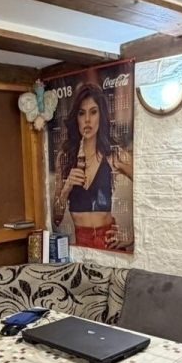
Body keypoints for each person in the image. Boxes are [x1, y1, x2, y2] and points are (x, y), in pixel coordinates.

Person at [52, 82, 133, 250]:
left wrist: (130, 237)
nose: (87, 120)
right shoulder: (65, 158)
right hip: (81, 248)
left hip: (110, 246)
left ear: (101, 116)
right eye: (82, 113)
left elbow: (149, 187)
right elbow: (56, 218)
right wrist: (67, 188)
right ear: (76, 118)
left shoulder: (113, 154)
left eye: (93, 112)